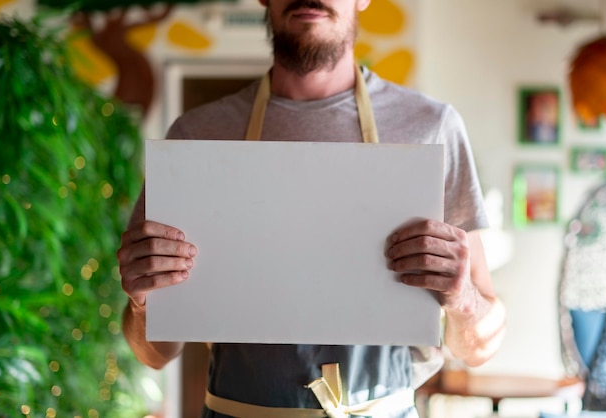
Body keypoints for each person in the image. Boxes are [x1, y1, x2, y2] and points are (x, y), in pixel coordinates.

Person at [117, 0, 507, 416]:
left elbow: (480, 346)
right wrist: (142, 302)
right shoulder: (195, 138)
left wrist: (463, 297)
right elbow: (155, 354)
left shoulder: (432, 127)